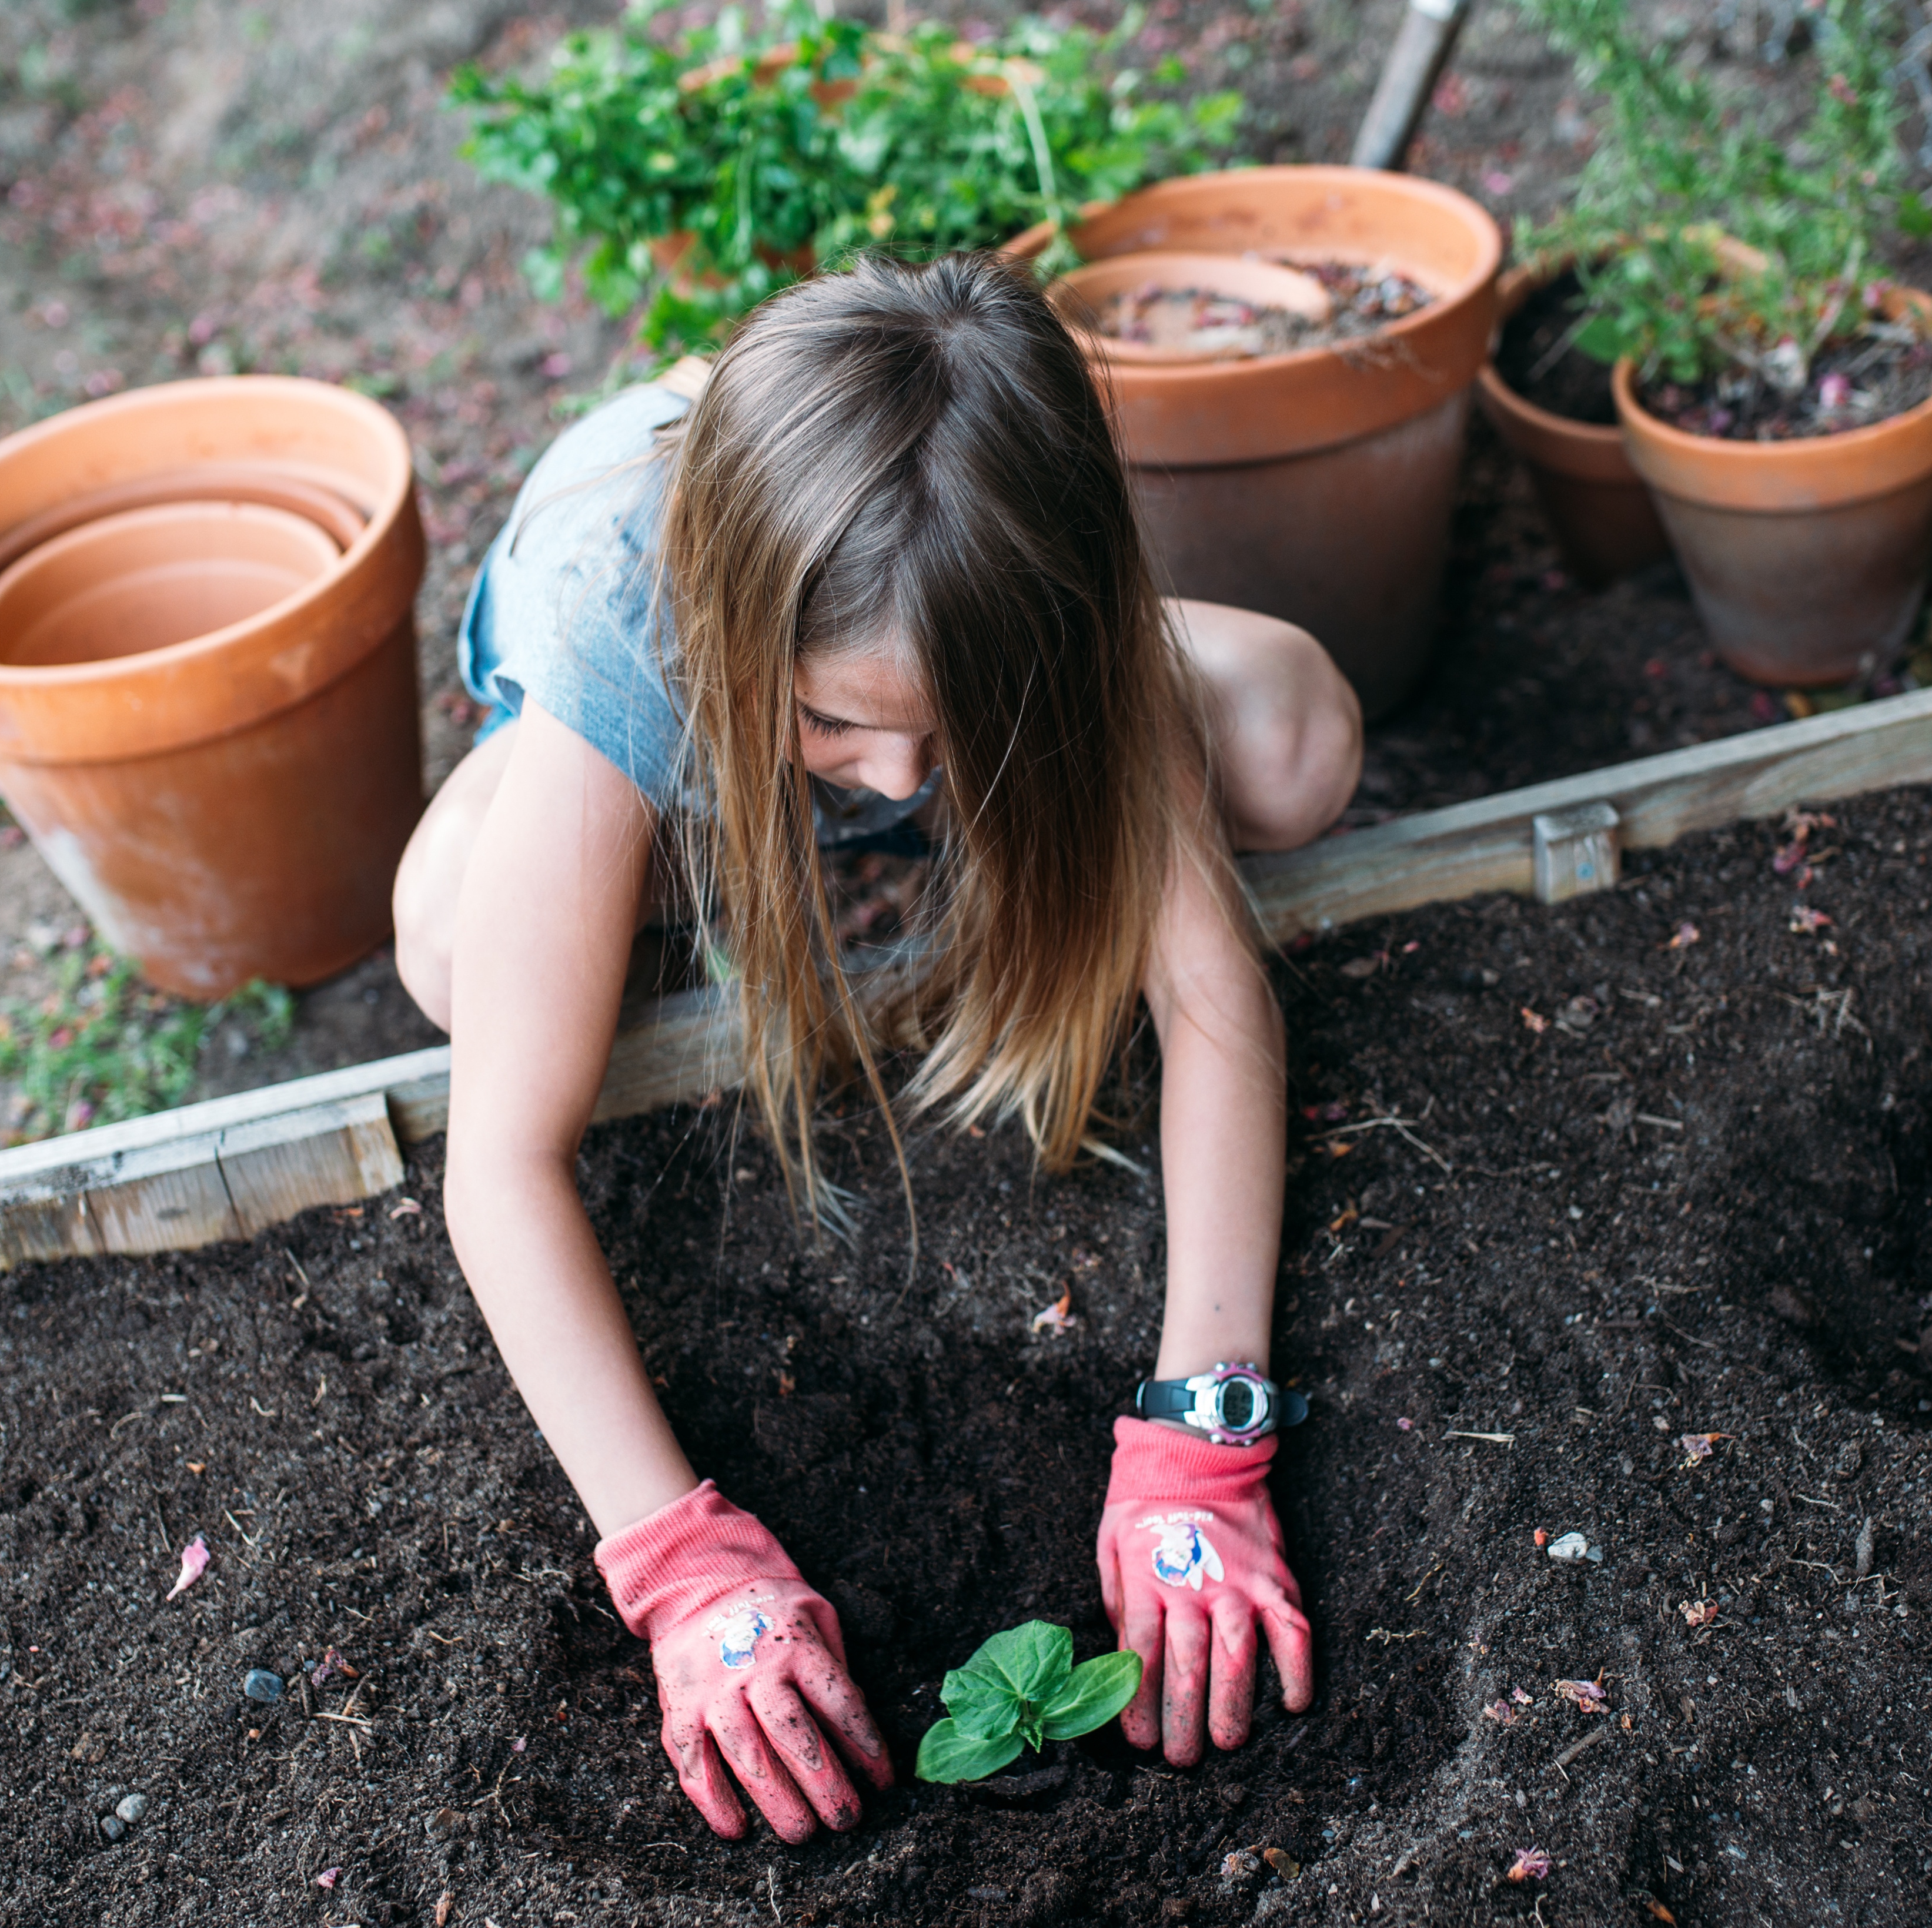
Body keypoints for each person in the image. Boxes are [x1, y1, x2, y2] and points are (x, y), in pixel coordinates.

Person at [389, 252, 1360, 1843]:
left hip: (940, 609)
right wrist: (676, 1559)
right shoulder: (629, 618)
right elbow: (501, 1160)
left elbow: (1208, 1000)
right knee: (451, 950)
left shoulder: (1042, 618)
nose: (896, 773)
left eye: (942, 728)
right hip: (645, 685)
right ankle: (709, 806)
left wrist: (1207, 1423)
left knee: (1289, 738)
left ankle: (906, 710)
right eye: (839, 726)